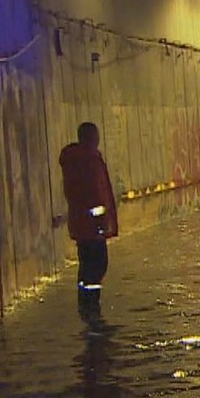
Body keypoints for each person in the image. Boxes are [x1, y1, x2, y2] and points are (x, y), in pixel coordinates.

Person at [59, 121, 118, 317]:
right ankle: (90, 308)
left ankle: (87, 304)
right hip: (93, 227)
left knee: (88, 265)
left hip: (83, 226)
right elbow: (96, 193)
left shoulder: (76, 160)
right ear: (92, 137)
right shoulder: (89, 160)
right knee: (97, 264)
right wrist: (102, 221)